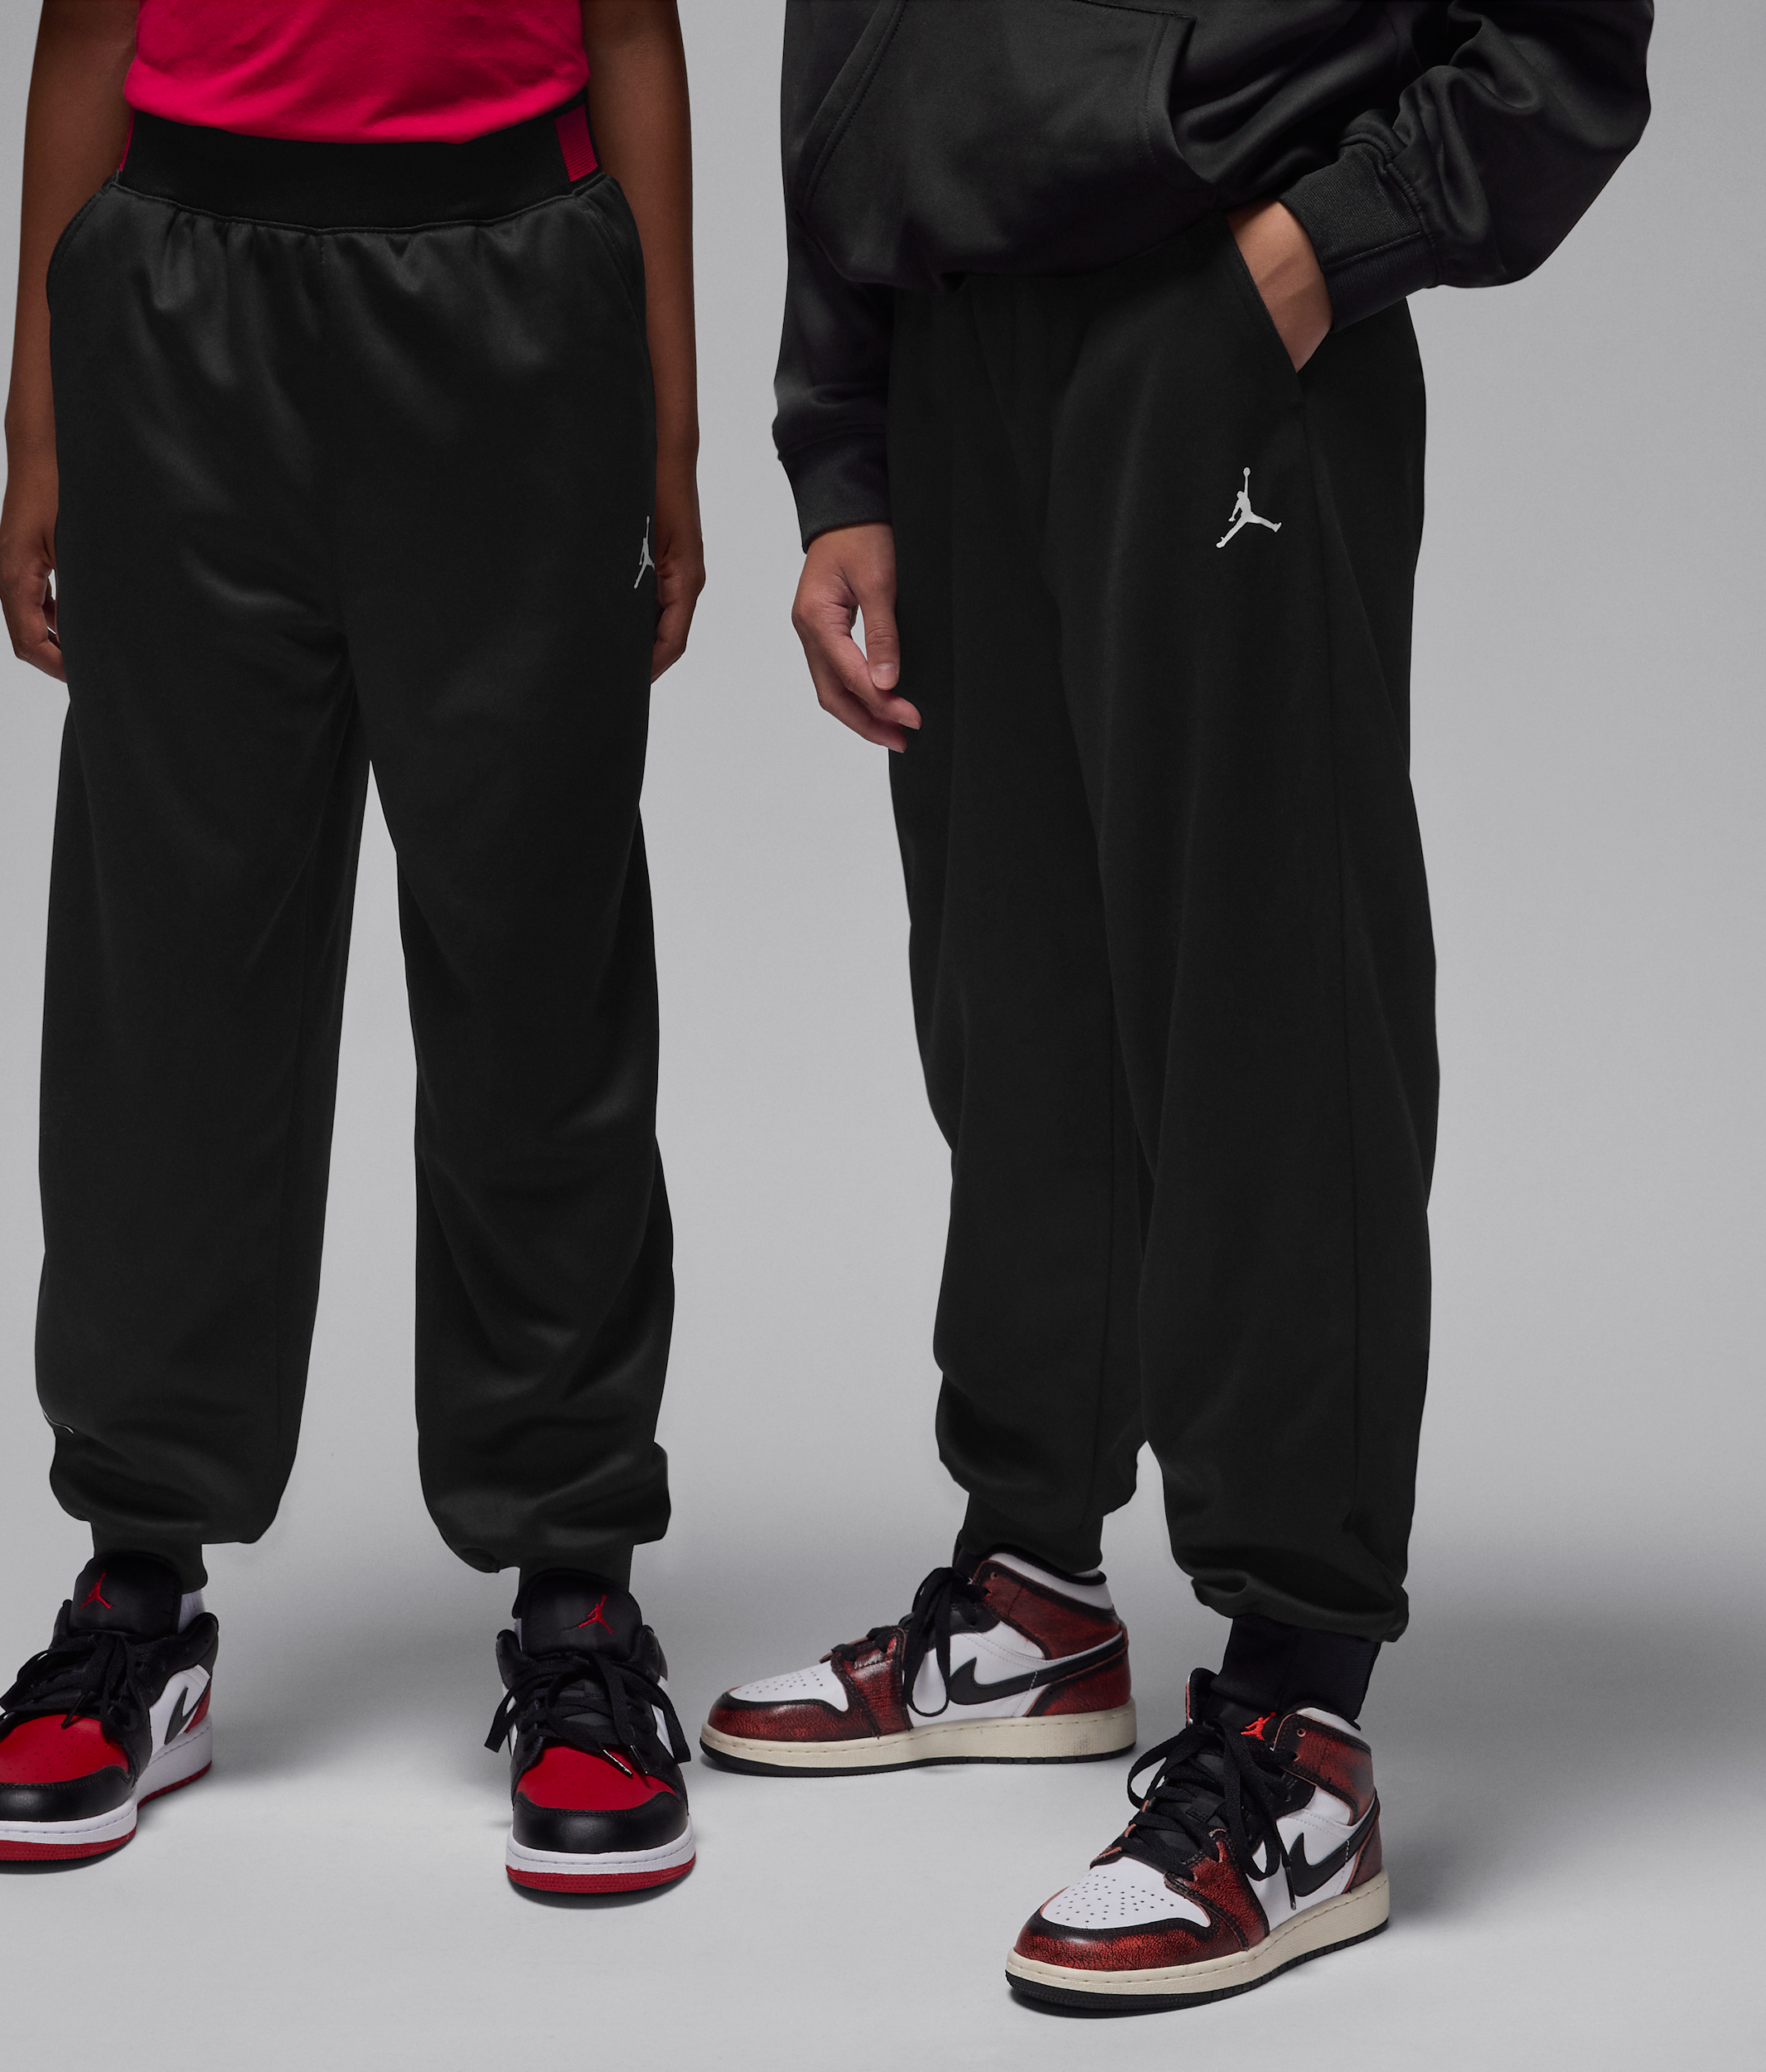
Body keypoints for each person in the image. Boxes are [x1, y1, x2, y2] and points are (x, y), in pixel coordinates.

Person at [706, 0, 1652, 2009]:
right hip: (950, 328)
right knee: (1010, 993)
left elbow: (1560, 40)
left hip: (1213, 298)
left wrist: (1310, 255)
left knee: (1261, 991)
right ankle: (1032, 1590)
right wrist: (839, 430)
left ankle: (1299, 1724)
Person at [0, 0, 704, 1899]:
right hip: (183, 298)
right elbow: (87, 27)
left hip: (516, 293)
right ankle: (138, 1585)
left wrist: (667, 424)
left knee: (535, 958)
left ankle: (576, 1593)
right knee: (170, 971)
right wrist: (39, 417)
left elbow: (629, 27)